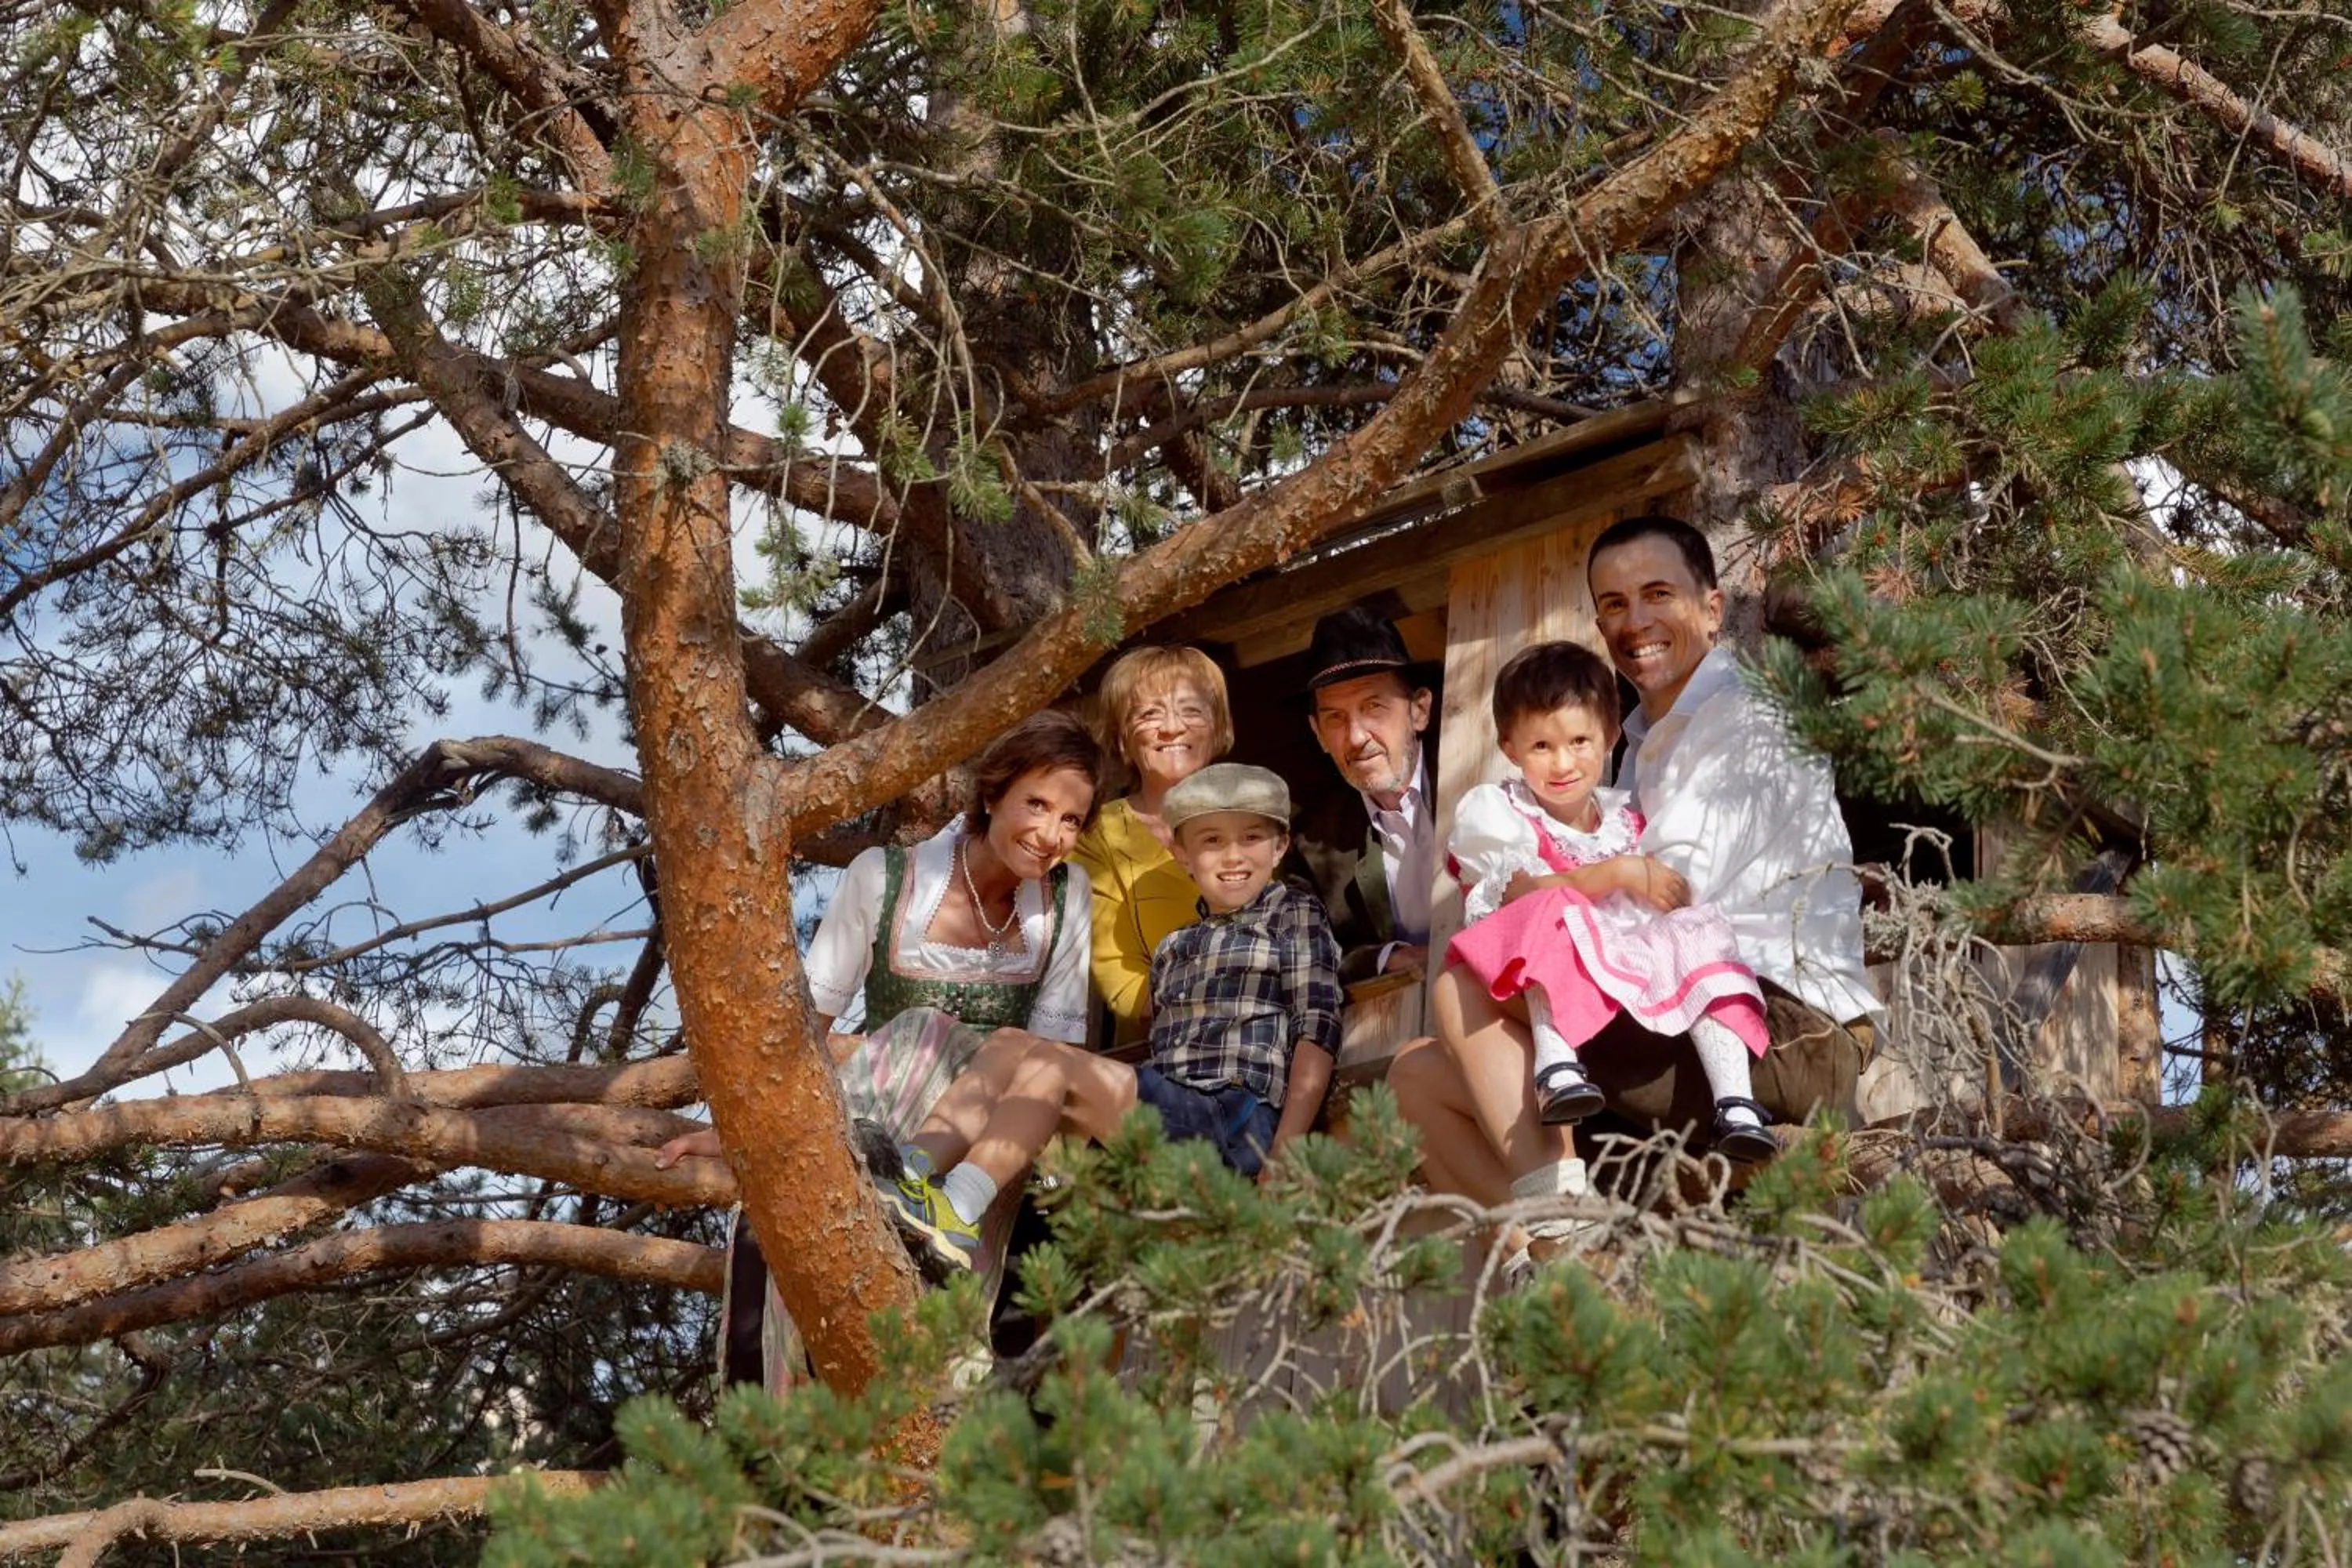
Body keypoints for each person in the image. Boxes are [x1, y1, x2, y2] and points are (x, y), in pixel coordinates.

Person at [1392, 515, 1882, 1232]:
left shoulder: (1745, 717)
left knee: (1465, 981)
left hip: (1785, 1030)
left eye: (1658, 594)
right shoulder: (1634, 752)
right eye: (1615, 605)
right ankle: (1563, 1253)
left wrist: (1542, 893)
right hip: (1681, 1018)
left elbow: (1664, 901)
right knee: (1417, 1077)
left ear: (1713, 609)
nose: (1636, 620)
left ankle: (1561, 1222)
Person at [655, 710, 1100, 1381]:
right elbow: (806, 1033)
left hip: (981, 1158)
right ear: (992, 793)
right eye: (1035, 804)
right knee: (797, 1310)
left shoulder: (1068, 898)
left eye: (1071, 820)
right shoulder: (883, 877)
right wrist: (741, 1132)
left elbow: (1054, 1054)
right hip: (873, 1124)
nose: (1049, 834)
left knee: (940, 1365)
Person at [877, 762, 1343, 1269]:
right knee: (1012, 1043)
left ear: (1279, 847)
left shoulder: (1291, 911)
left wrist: (1287, 1151)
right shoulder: (1173, 947)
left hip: (1234, 1121)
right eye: (1211, 841)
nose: (1232, 856)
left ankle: (958, 1210)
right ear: (1182, 855)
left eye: (1251, 837)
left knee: (1056, 1066)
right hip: (1171, 1110)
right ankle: (909, 1169)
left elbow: (1315, 1028)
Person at [1443, 640, 1777, 1165]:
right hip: (1550, 968)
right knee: (1551, 910)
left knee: (1697, 926)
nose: (1563, 763)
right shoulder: (1499, 810)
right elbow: (1519, 895)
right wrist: (1616, 873)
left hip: (1632, 965)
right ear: (1510, 749)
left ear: (1610, 737)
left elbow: (1674, 893)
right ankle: (1557, 1070)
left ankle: (1736, 1103)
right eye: (1541, 747)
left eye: (1579, 741)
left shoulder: (1628, 815)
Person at [1069, 646, 1235, 1051]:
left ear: (1217, 729)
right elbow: (1119, 979)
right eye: (1149, 714)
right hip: (1161, 1055)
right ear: (1123, 739)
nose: (1172, 727)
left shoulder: (1259, 815)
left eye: (1191, 711)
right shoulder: (1095, 836)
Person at [1289, 606, 1440, 982]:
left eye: (1374, 707)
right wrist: (1385, 959)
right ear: (1318, 733)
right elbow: (1305, 955)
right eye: (1335, 718)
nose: (1356, 737)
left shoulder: (1479, 785)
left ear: (1419, 710)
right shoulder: (1311, 842)